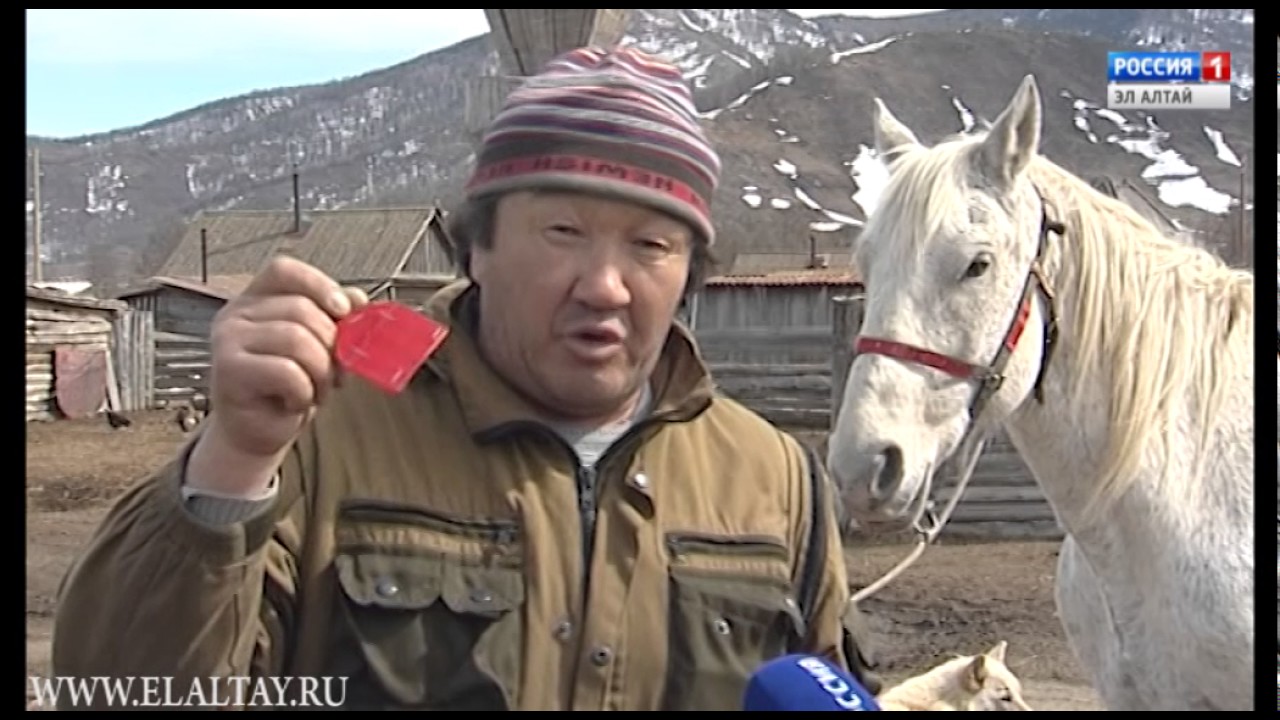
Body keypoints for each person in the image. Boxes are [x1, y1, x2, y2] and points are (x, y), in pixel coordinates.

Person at [50, 45, 879, 711]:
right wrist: (232, 462)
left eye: (651, 245)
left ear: (690, 271)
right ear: (476, 245)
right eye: (563, 229)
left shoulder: (777, 484)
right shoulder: (320, 436)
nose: (605, 283)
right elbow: (112, 690)